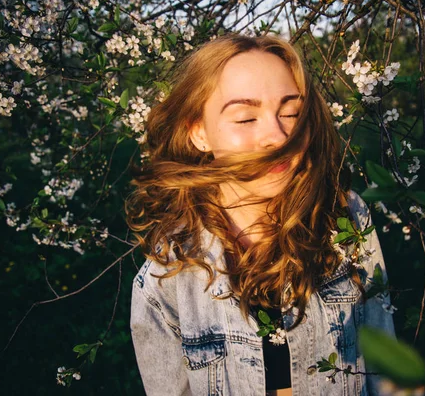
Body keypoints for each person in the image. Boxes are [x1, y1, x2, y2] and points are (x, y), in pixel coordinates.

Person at [126, 34, 395, 396]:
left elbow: (383, 358)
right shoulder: (167, 275)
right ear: (199, 133)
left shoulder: (344, 217)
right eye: (245, 117)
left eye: (290, 113)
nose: (278, 136)